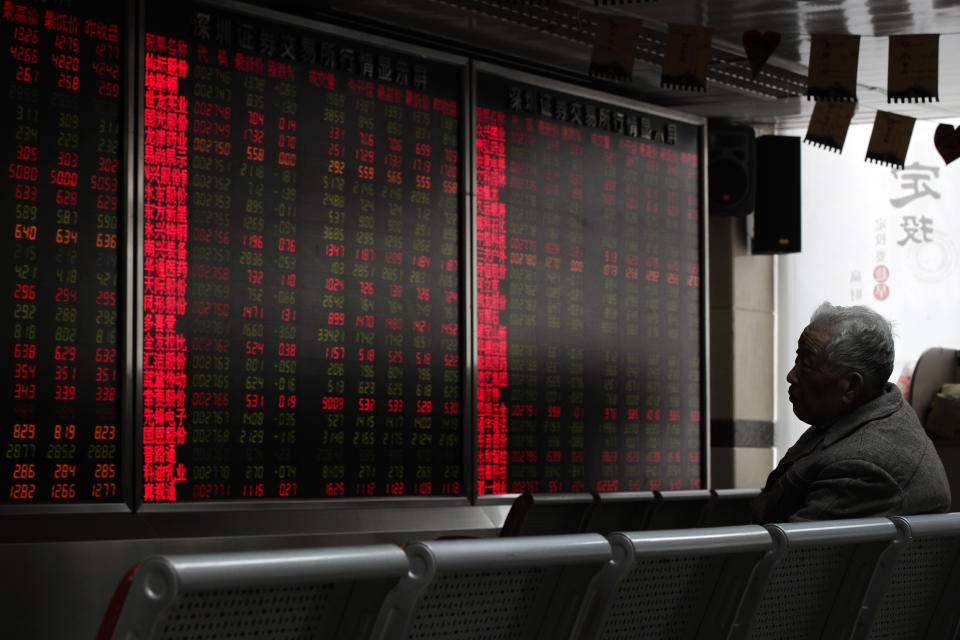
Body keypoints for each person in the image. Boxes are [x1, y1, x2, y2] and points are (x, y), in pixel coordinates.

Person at [751, 302, 951, 523]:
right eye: (797, 359)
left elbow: (795, 553)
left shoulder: (863, 465)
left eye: (806, 365)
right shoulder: (861, 416)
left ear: (851, 387)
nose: (792, 375)